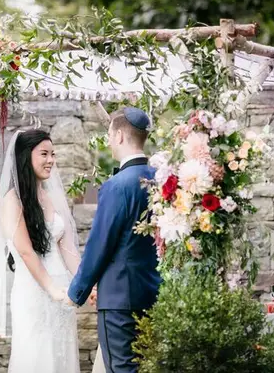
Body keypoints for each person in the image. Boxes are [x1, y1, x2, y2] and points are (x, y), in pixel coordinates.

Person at [67, 108, 162, 373]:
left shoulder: (117, 185)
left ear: (119, 135)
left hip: (120, 301)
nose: (108, 141)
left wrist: (77, 292)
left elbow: (100, 244)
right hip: (153, 292)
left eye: (109, 134)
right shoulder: (162, 180)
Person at [0, 129, 86, 373]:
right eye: (44, 154)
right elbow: (25, 252)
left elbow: (67, 248)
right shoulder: (13, 200)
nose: (51, 160)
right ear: (25, 157)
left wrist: (85, 283)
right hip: (34, 292)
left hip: (62, 292)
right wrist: (52, 290)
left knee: (61, 357)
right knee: (37, 357)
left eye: (53, 154)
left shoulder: (50, 197)